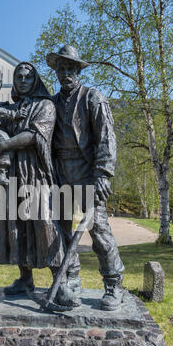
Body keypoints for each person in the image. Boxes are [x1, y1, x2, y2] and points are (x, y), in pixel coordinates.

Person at [0, 62, 77, 307]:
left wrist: (3, 145)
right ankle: (25, 279)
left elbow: (35, 136)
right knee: (15, 226)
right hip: (12, 173)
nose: (23, 80)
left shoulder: (46, 106)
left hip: (36, 172)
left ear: (35, 80)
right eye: (18, 77)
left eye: (27, 77)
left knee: (44, 223)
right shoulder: (9, 108)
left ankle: (60, 282)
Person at [46, 45, 125, 311]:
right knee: (62, 232)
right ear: (56, 72)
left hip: (87, 173)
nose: (65, 73)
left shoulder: (93, 98)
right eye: (61, 68)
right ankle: (71, 280)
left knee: (99, 230)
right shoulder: (52, 103)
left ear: (78, 70)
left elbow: (106, 138)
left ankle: (114, 284)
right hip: (60, 174)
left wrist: (103, 174)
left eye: (70, 68)